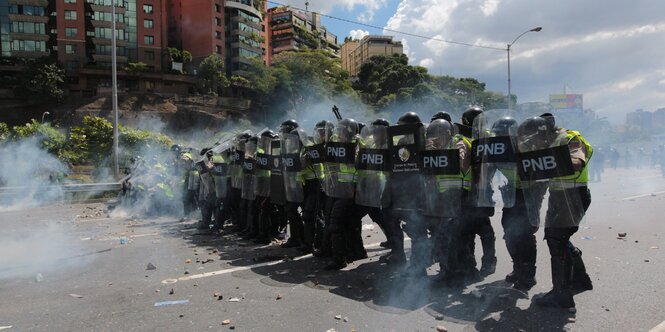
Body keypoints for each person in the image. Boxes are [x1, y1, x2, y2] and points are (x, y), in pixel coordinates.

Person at [534, 113, 594, 308]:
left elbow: (577, 162)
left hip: (573, 196)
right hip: (559, 197)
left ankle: (562, 294)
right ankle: (580, 279)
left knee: (556, 240)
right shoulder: (550, 143)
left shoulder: (569, 138)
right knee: (558, 239)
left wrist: (549, 162)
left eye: (538, 138)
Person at [459, 107, 497, 280]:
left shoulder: (465, 139)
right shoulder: (489, 137)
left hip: (470, 190)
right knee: (480, 229)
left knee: (473, 229)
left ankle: (474, 265)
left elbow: (462, 165)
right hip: (477, 189)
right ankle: (483, 263)